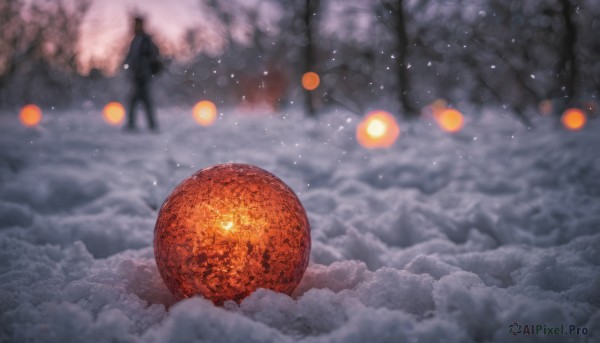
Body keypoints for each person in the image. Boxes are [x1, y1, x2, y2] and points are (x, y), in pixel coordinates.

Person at [124, 16, 159, 131]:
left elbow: (152, 57)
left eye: (136, 24)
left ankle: (146, 125)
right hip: (137, 76)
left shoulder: (144, 40)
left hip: (143, 76)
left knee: (141, 100)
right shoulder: (136, 39)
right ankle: (148, 125)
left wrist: (144, 70)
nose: (134, 26)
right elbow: (131, 58)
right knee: (138, 100)